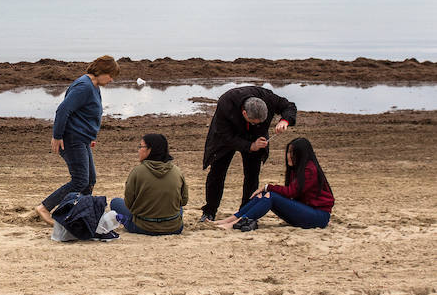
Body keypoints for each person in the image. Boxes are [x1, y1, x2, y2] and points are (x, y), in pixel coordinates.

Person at [35, 55, 120, 225]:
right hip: (72, 139)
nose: (111, 79)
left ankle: (82, 212)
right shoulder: (84, 87)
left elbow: (83, 115)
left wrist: (89, 136)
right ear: (102, 71)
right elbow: (63, 110)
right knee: (80, 180)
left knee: (90, 180)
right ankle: (44, 208)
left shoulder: (94, 86)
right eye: (110, 75)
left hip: (82, 139)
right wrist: (57, 136)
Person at [199, 86, 297, 222]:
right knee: (216, 173)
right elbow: (224, 135)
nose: (257, 124)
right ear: (244, 113)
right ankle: (209, 211)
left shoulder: (269, 98)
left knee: (252, 175)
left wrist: (285, 120)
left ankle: (246, 211)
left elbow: (289, 106)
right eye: (253, 122)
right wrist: (250, 146)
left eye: (260, 123)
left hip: (256, 137)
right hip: (226, 138)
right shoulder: (226, 102)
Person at [214, 137, 334, 231]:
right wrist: (266, 189)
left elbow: (291, 192)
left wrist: (267, 186)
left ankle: (235, 223)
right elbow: (292, 194)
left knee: (270, 195)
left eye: (292, 152)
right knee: (265, 195)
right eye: (288, 152)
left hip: (318, 216)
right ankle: (231, 219)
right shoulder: (298, 169)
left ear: (301, 154)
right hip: (309, 212)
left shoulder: (309, 170)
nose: (288, 155)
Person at [110, 134, 188, 235]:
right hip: (174, 227)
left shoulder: (137, 172)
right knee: (176, 207)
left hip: (143, 227)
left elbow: (129, 204)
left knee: (115, 202)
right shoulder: (177, 171)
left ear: (150, 149)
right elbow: (184, 201)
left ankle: (129, 222)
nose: (139, 150)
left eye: (141, 147)